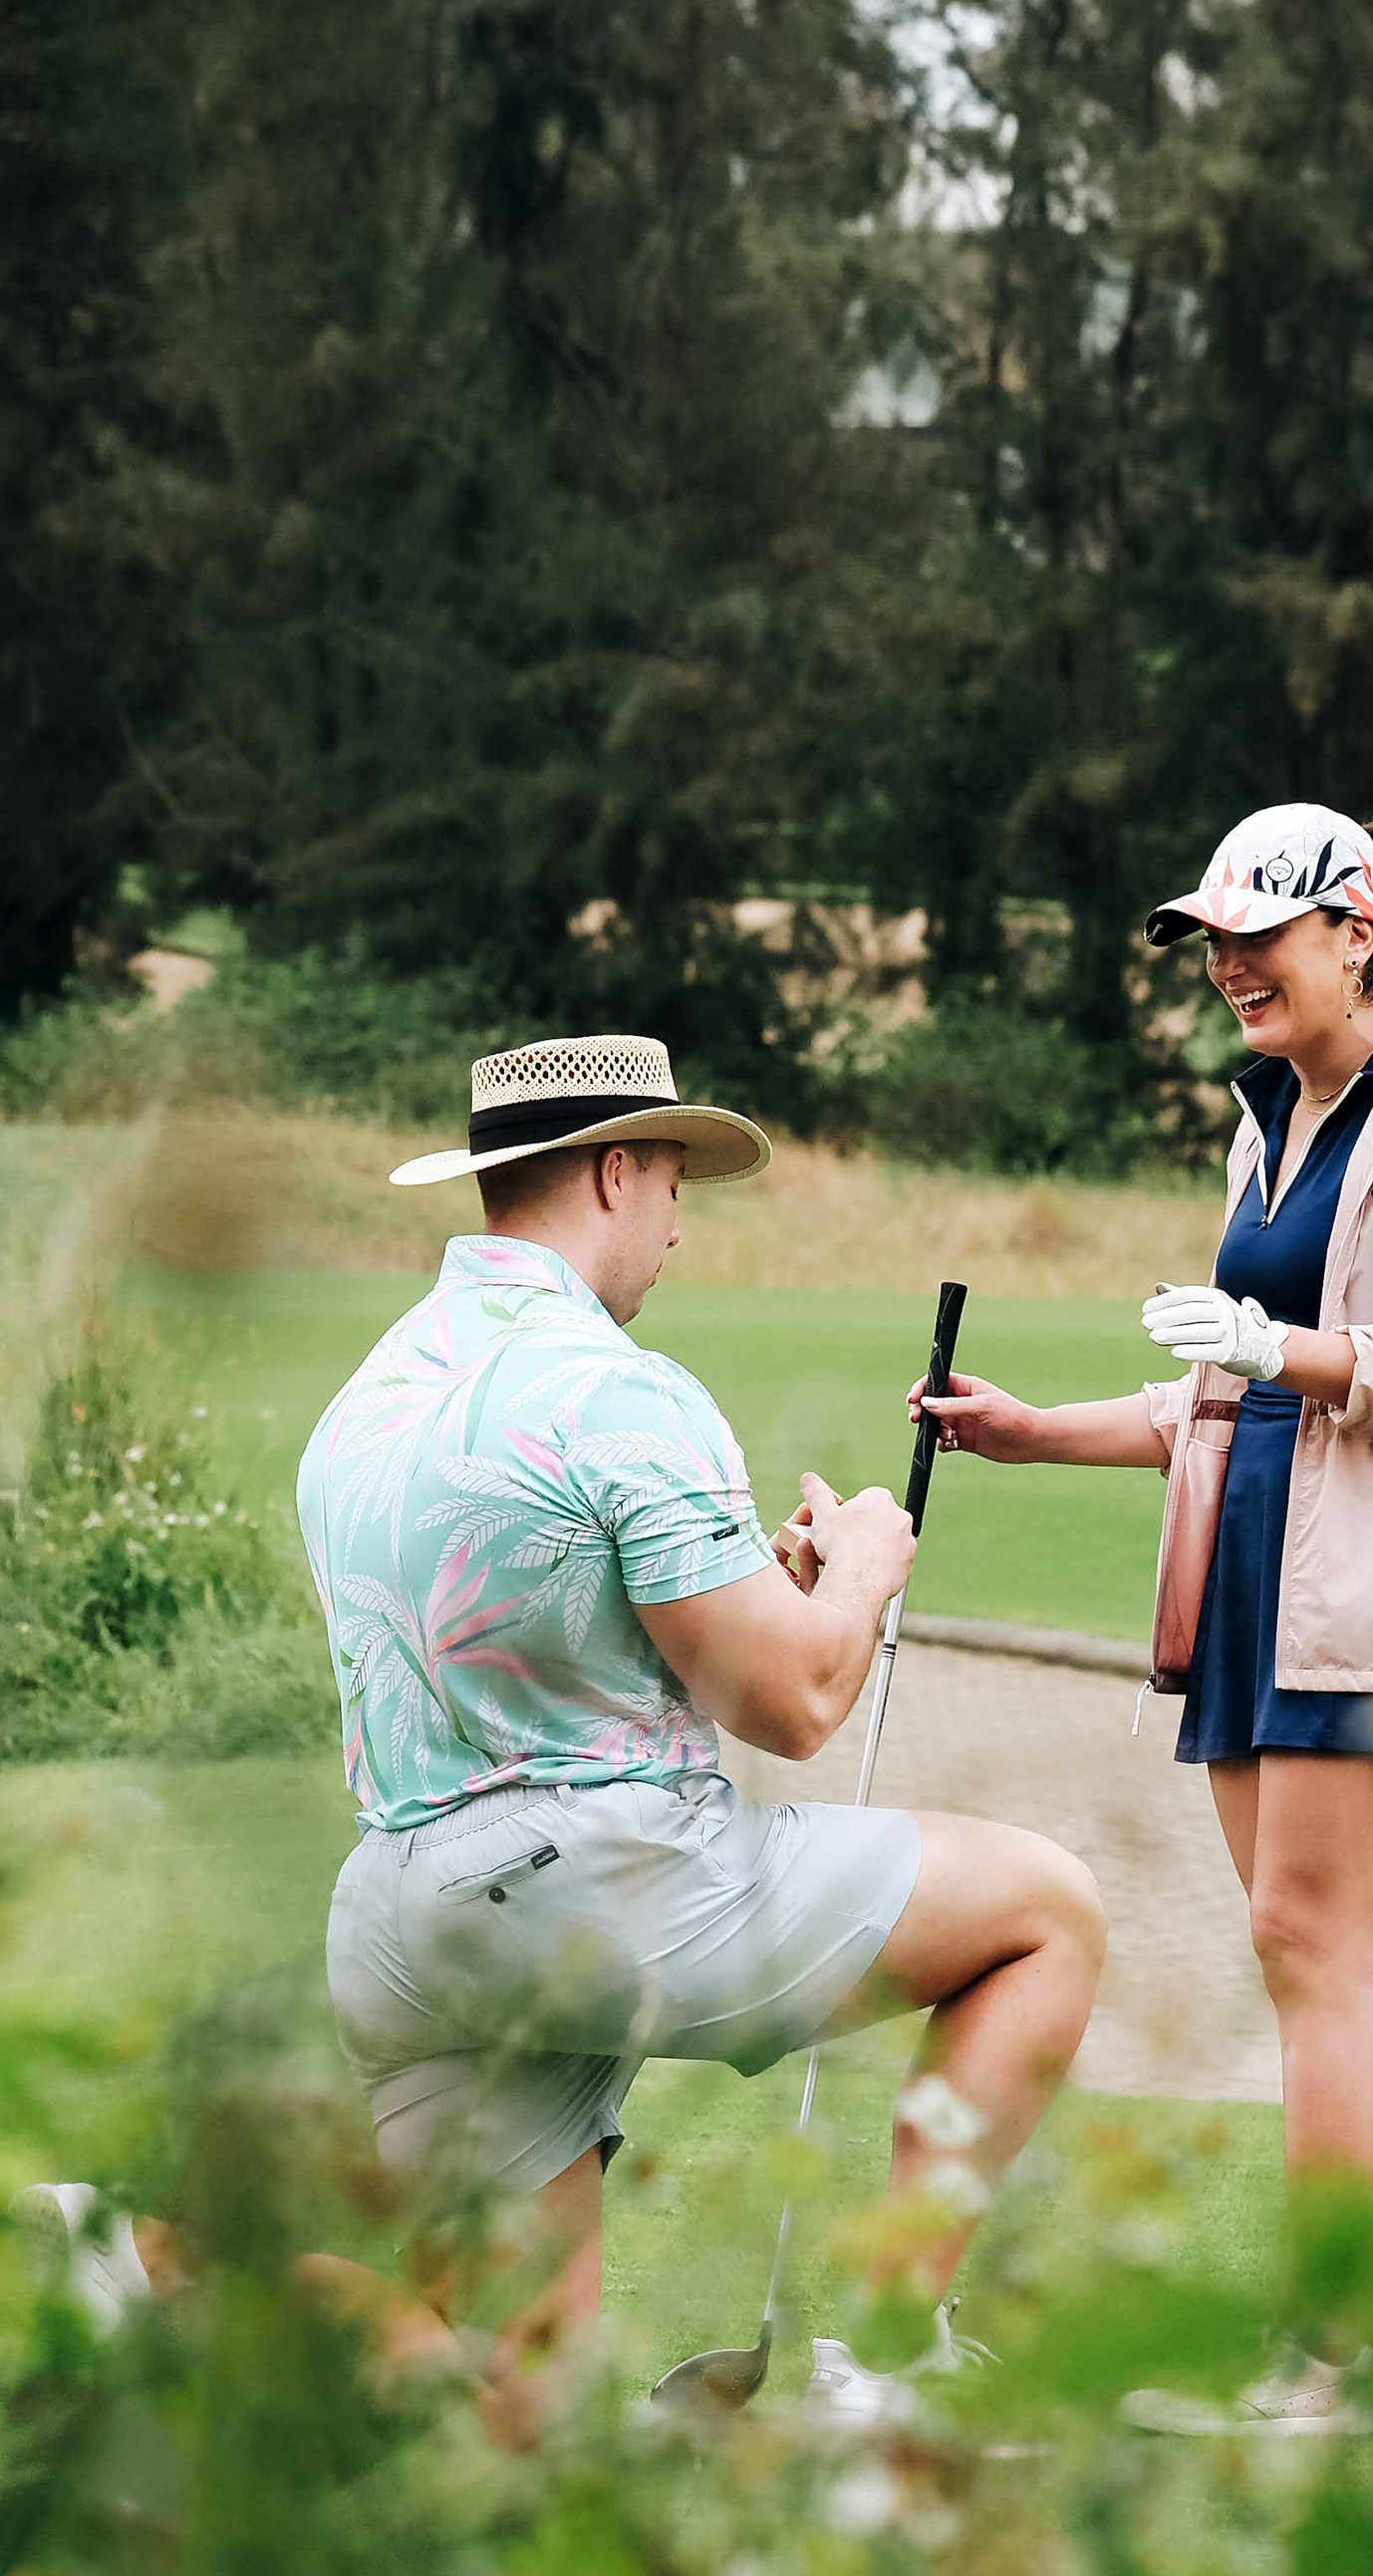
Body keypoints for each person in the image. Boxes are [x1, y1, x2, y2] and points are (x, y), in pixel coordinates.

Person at [22, 1034, 1104, 2444]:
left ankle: (147, 2259)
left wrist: (753, 1591)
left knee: (512, 2406)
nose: (674, 1227)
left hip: (408, 1921)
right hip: (606, 1890)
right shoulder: (622, 1391)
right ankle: (886, 2362)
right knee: (1047, 1915)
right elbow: (792, 1705)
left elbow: (549, 1643)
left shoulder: (371, 1398)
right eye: (671, 1187)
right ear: (616, 1169)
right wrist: (861, 1566)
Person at [912, 806, 1373, 2434]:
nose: (1226, 965)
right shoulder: (1269, 1120)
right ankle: (1358, 2354)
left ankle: (1323, 2365)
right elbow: (1219, 1390)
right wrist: (1033, 1424)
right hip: (1253, 1585)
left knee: (1305, 1946)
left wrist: (1280, 1351)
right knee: (1322, 1963)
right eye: (1213, 937)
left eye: (1258, 935)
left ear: (1361, 930)